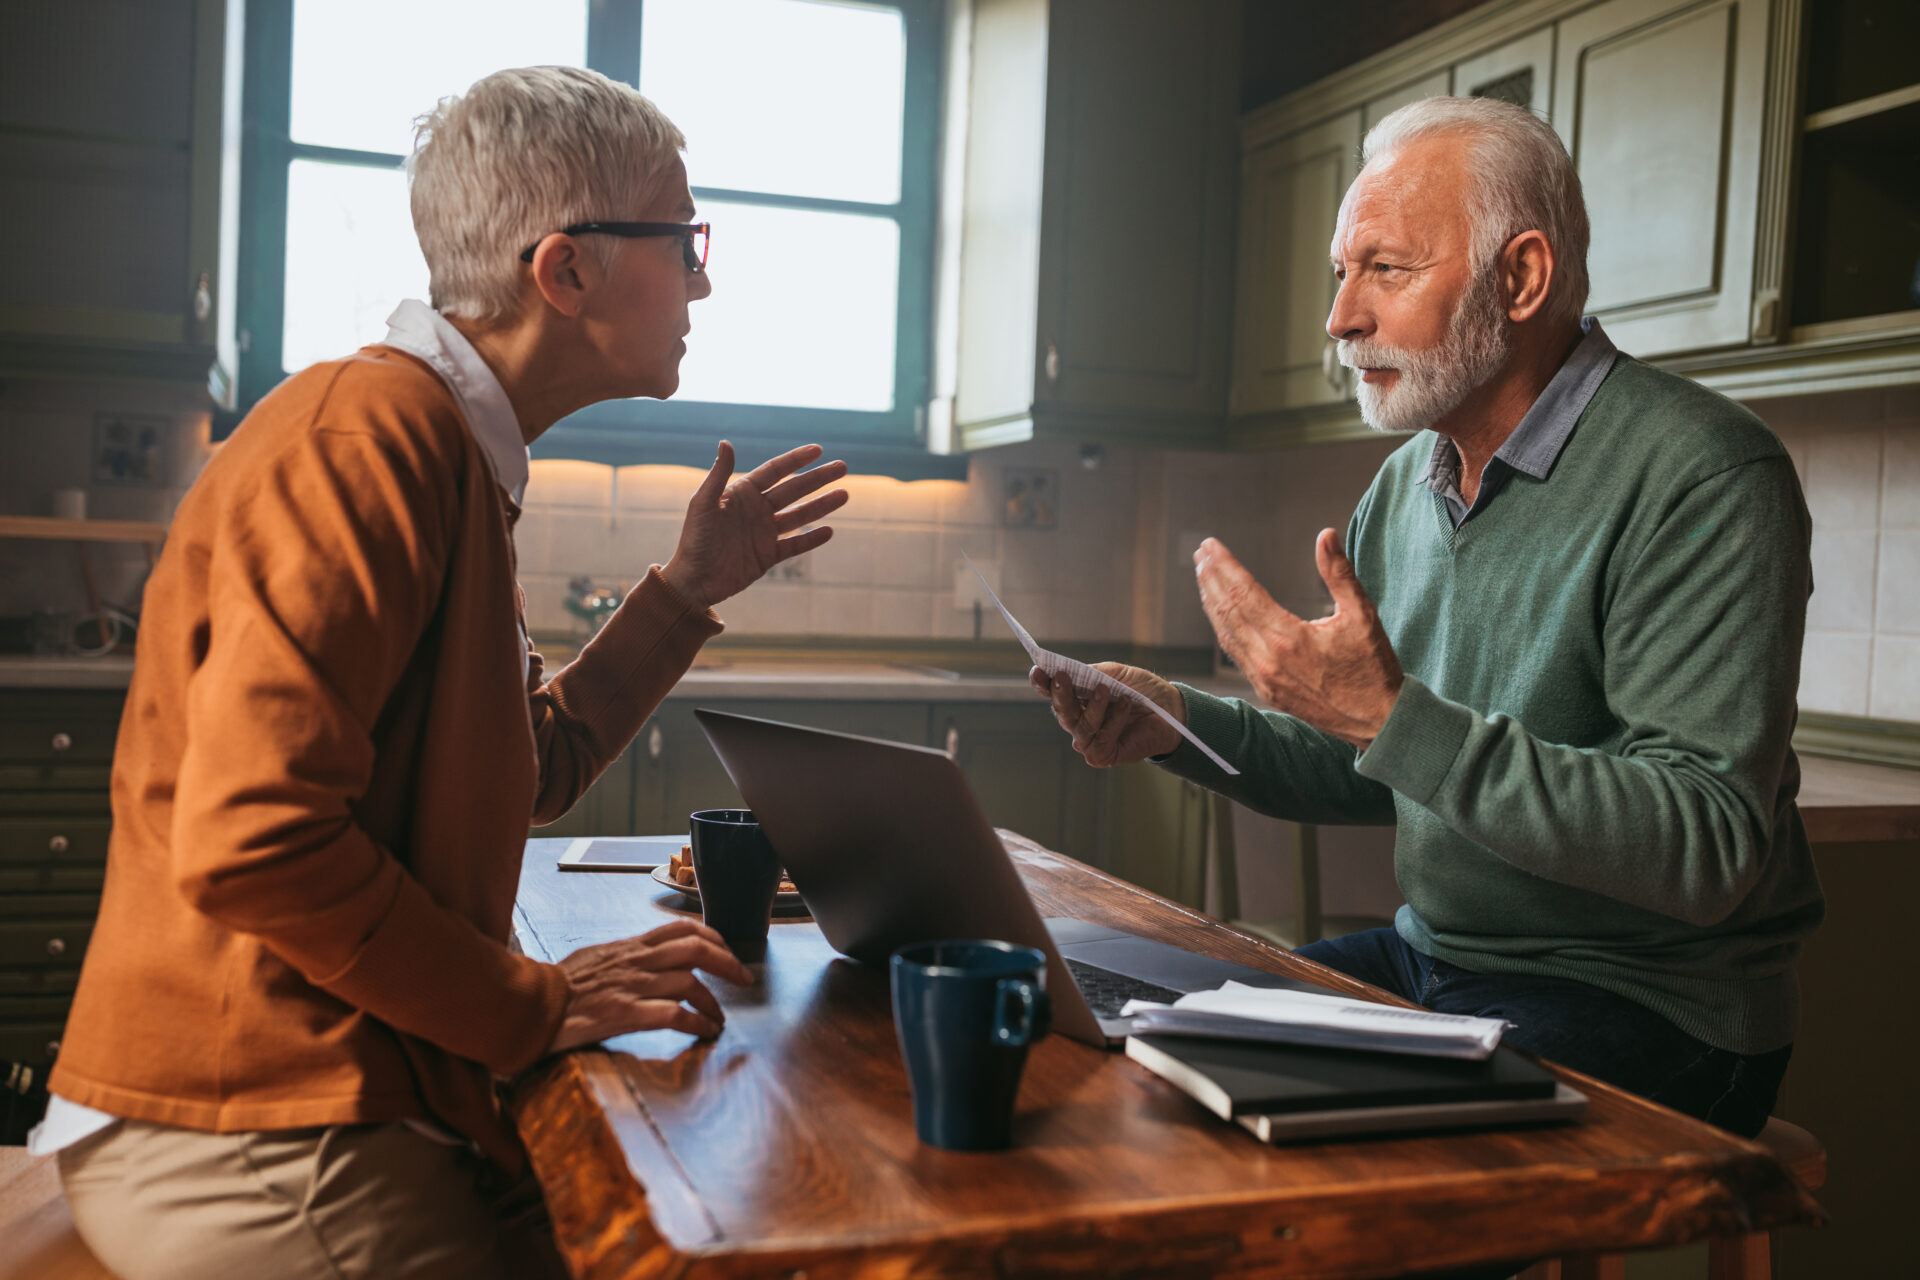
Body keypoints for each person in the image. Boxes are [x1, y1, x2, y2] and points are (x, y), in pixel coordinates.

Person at [33, 66, 847, 1278]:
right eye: (683, 238)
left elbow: (526, 767)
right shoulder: (369, 441)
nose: (704, 275)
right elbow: (255, 837)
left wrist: (680, 596)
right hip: (254, 1121)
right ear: (565, 271)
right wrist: (529, 1003)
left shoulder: (450, 455)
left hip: (343, 1094)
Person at [1035, 96, 1823, 1139]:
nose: (1340, 318)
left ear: (1522, 277)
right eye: (1339, 272)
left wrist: (1387, 718)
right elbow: (1364, 756)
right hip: (1434, 959)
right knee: (1134, 1071)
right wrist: (1176, 721)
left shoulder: (1705, 473)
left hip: (1649, 1001)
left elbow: (1706, 846)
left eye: (1386, 269)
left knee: (1284, 1175)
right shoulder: (1408, 482)